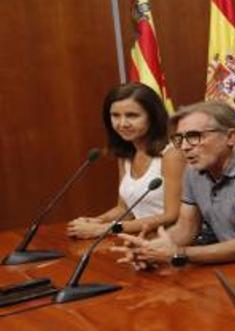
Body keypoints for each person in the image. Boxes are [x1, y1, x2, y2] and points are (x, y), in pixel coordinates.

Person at [113, 101, 235, 268]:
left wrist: (179, 253)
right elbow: (186, 228)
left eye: (194, 136)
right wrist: (149, 249)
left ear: (230, 137)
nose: (184, 147)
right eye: (179, 139)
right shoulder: (193, 172)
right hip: (230, 267)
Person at [67, 83, 183, 238]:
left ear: (153, 117)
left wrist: (106, 229)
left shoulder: (172, 154)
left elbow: (171, 215)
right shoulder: (126, 155)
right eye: (115, 116)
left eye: (132, 115)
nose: (122, 124)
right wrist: (95, 221)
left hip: (172, 241)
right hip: (141, 239)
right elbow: (124, 210)